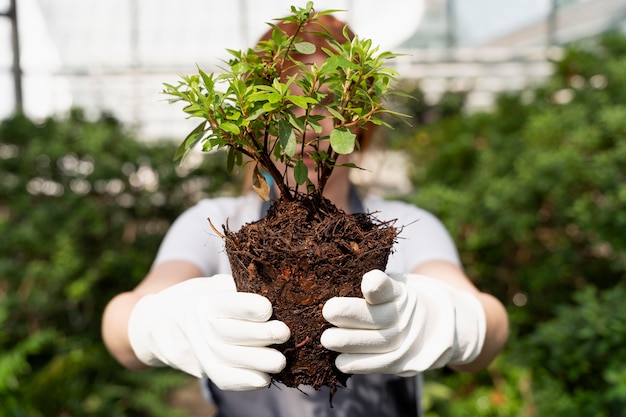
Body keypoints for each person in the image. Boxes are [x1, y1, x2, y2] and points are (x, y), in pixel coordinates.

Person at [101, 13, 509, 417]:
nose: (306, 127)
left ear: (360, 116)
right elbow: (119, 325)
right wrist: (164, 325)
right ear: (253, 123)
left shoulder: (404, 229)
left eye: (328, 102)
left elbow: (491, 325)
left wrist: (454, 324)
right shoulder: (214, 224)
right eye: (285, 106)